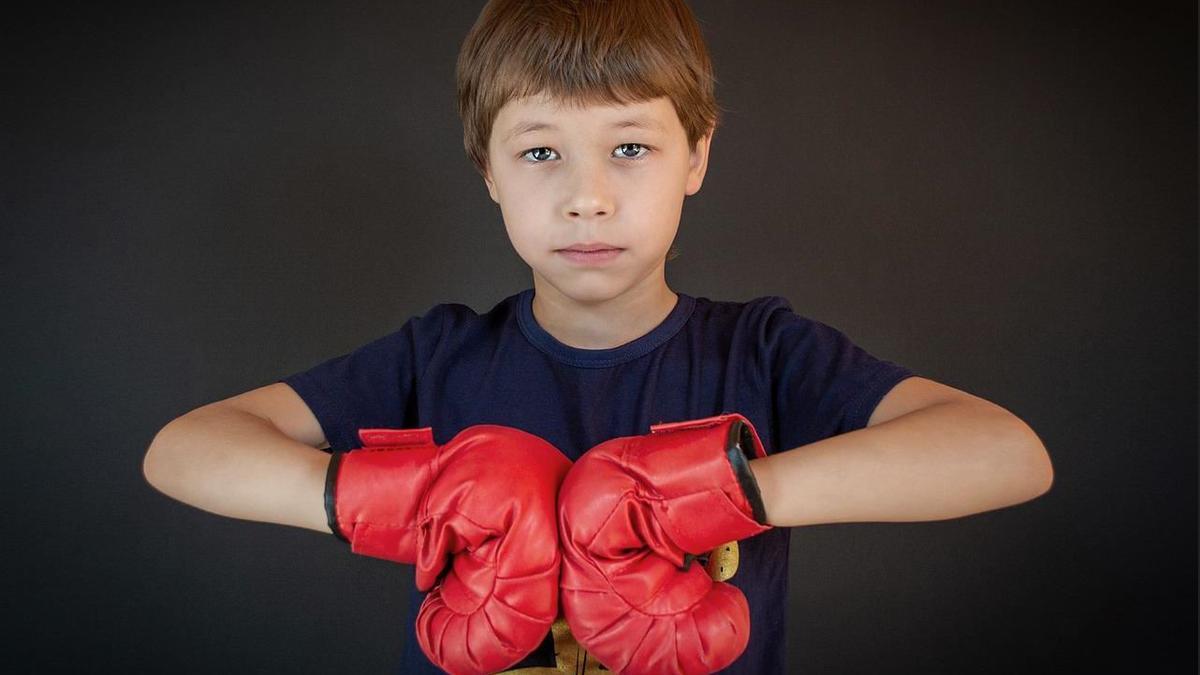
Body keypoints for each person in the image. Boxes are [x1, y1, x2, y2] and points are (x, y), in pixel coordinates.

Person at [142, 0, 1055, 673]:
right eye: (541, 151)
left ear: (696, 156)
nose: (588, 194)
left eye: (630, 147)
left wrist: (733, 491)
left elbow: (1006, 452)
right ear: (488, 172)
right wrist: (399, 499)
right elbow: (184, 450)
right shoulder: (437, 357)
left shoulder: (762, 352)